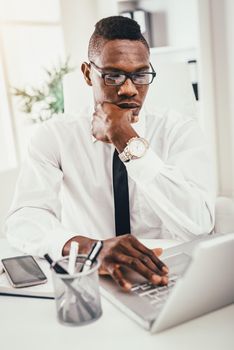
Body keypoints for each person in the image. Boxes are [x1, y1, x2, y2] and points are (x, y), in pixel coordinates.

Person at [5, 16, 215, 290]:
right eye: (113, 76)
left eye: (140, 75)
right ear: (86, 73)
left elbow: (198, 224)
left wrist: (126, 139)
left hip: (165, 275)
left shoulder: (180, 131)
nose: (129, 89)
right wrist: (91, 249)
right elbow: (23, 220)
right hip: (91, 277)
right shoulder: (54, 135)